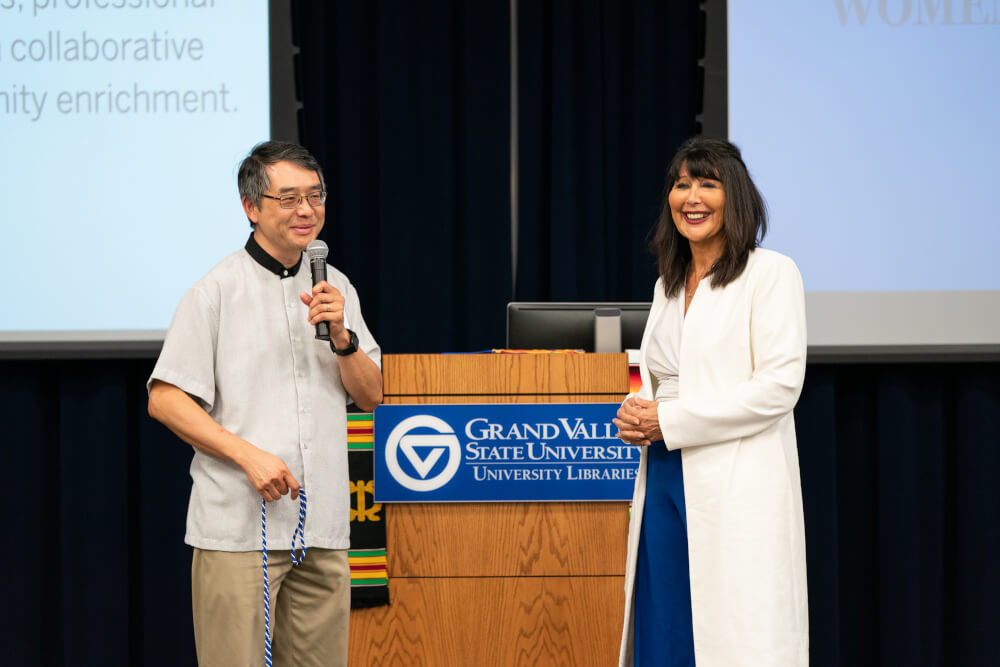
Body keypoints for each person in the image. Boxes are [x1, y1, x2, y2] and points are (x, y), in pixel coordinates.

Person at [147, 140, 383, 666]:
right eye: (289, 198)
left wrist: (343, 337)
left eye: (315, 196)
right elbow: (165, 400)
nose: (307, 210)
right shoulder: (216, 290)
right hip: (238, 529)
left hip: (321, 526)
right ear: (251, 208)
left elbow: (372, 395)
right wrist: (248, 456)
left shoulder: (336, 286)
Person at [614, 137, 808, 666]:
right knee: (667, 628)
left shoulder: (770, 273)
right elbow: (656, 372)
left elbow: (779, 387)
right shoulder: (667, 284)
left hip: (735, 478)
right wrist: (637, 409)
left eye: (707, 183)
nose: (691, 197)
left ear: (735, 196)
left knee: (736, 636)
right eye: (681, 184)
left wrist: (669, 418)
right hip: (664, 473)